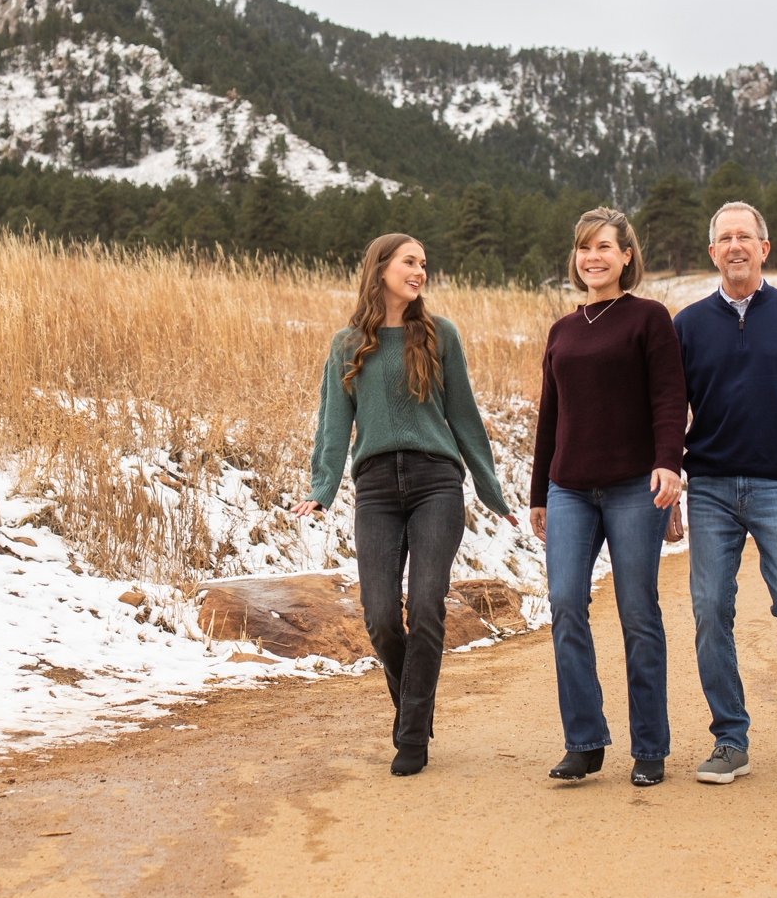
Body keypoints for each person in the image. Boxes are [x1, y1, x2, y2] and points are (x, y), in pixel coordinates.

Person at [293, 233, 517, 777]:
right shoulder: (347, 344)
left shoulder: (441, 336)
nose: (420, 271)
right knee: (378, 616)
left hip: (435, 482)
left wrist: (491, 490)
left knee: (424, 607)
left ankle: (411, 734)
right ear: (382, 268)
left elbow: (464, 415)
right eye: (410, 262)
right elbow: (333, 424)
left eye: (423, 264)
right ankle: (416, 702)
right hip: (374, 489)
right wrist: (321, 490)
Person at [673, 201, 777, 786]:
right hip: (711, 486)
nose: (736, 246)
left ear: (764, 249)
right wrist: (669, 477)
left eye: (746, 237)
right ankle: (730, 737)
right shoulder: (688, 325)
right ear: (712, 251)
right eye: (725, 238)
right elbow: (669, 410)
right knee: (710, 608)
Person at [530, 208, 688, 786]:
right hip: (569, 488)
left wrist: (669, 464)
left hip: (632, 487)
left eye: (603, 248)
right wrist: (538, 492)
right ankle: (585, 740)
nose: (592, 258)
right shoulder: (563, 331)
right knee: (566, 603)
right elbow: (551, 416)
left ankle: (650, 745)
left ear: (626, 256)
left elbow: (670, 400)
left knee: (638, 611)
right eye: (583, 249)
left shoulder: (649, 319)